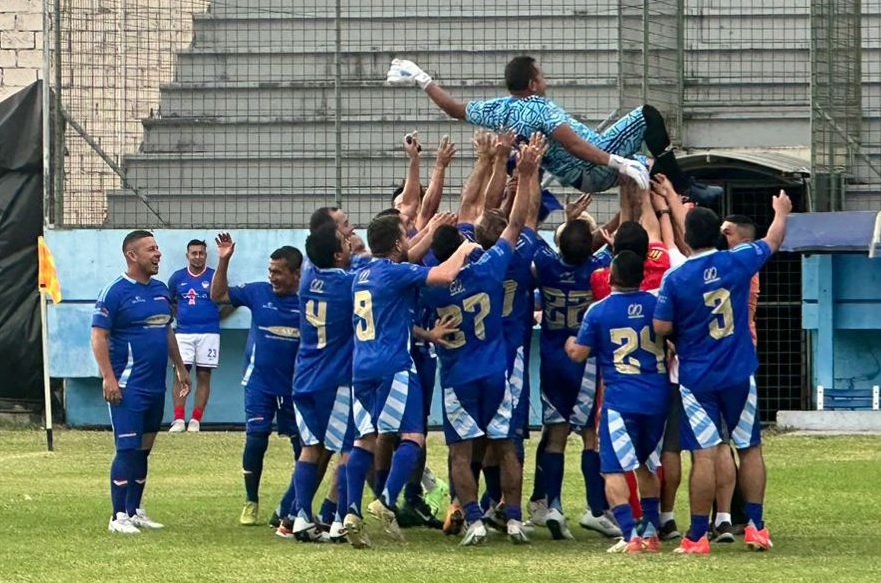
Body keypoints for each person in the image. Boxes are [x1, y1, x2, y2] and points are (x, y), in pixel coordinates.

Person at [653, 191, 792, 554]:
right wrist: (780, 211)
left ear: (686, 236)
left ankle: (698, 535)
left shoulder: (675, 278)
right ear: (718, 234)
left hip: (697, 377)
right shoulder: (737, 260)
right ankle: (756, 527)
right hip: (738, 370)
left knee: (704, 453)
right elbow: (773, 240)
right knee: (749, 447)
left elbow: (662, 326)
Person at [386, 55, 722, 203]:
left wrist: (422, 78)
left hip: (581, 174)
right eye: (541, 75)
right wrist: (616, 162)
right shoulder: (539, 108)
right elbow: (575, 145)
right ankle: (686, 186)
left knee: (651, 165)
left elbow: (453, 108)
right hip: (593, 163)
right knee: (648, 116)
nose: (545, 80)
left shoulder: (500, 108)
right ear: (533, 83)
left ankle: (686, 189)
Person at [343, 214, 481, 548]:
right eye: (405, 236)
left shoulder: (360, 273)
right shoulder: (396, 273)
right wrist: (464, 249)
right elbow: (444, 275)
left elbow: (394, 308)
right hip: (393, 366)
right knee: (413, 436)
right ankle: (387, 501)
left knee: (365, 439)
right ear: (396, 243)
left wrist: (430, 231)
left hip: (360, 368)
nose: (409, 241)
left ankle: (351, 513)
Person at [566, 251, 669, 554]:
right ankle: (651, 531)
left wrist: (568, 343)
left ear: (611, 276)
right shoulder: (656, 304)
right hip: (657, 396)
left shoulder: (599, 311)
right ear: (641, 276)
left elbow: (579, 354)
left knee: (612, 468)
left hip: (621, 399)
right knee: (647, 464)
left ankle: (629, 534)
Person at [92, 230, 191, 534]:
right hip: (127, 386)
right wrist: (108, 377)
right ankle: (117, 516)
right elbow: (99, 336)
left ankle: (134, 510)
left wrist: (180, 367)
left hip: (155, 387)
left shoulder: (160, 290)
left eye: (157, 248)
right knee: (127, 448)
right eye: (151, 249)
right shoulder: (115, 292)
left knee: (143, 450)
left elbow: (166, 330)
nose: (158, 253)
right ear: (132, 255)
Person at [533, 205, 620, 541]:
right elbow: (607, 240)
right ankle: (596, 510)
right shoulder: (598, 269)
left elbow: (528, 229)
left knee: (555, 435)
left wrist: (569, 219)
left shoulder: (546, 265)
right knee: (590, 435)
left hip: (552, 359)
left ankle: (553, 506)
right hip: (585, 361)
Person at [209, 233, 303, 527]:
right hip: (259, 383)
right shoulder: (258, 292)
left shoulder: (310, 302)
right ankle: (251, 500)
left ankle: (295, 502)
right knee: (256, 439)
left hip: (296, 387)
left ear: (296, 273)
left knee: (303, 447)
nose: (272, 277)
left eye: (279, 272)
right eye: (270, 271)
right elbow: (217, 296)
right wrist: (223, 261)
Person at [167, 239, 222, 432]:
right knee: (180, 374)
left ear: (206, 255)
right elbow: (169, 301)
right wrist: (179, 315)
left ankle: (195, 421)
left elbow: (228, 299)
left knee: (204, 375)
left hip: (209, 333)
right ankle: (178, 419)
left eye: (201, 253)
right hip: (183, 333)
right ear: (187, 255)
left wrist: (215, 316)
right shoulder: (177, 278)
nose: (198, 256)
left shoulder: (215, 276)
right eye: (194, 253)